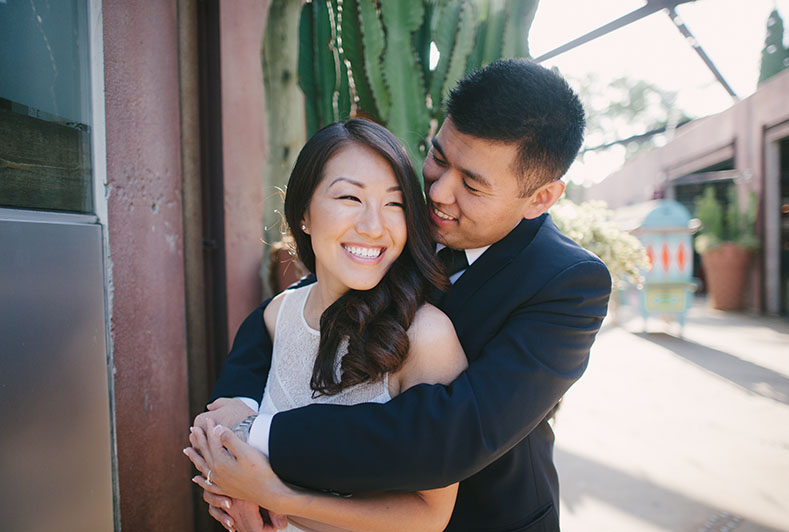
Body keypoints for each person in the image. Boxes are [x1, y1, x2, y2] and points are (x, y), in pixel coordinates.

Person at [195, 58, 613, 532]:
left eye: (472, 184)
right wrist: (240, 406)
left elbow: (455, 432)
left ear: (541, 197)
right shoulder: (409, 214)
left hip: (485, 517)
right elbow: (300, 303)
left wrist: (260, 438)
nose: (438, 192)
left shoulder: (568, 283)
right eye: (438, 157)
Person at [187, 118, 468, 532]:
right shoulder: (275, 316)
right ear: (303, 214)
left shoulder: (426, 337)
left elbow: (430, 516)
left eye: (394, 204)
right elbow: (216, 443)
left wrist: (271, 499)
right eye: (350, 197)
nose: (374, 226)